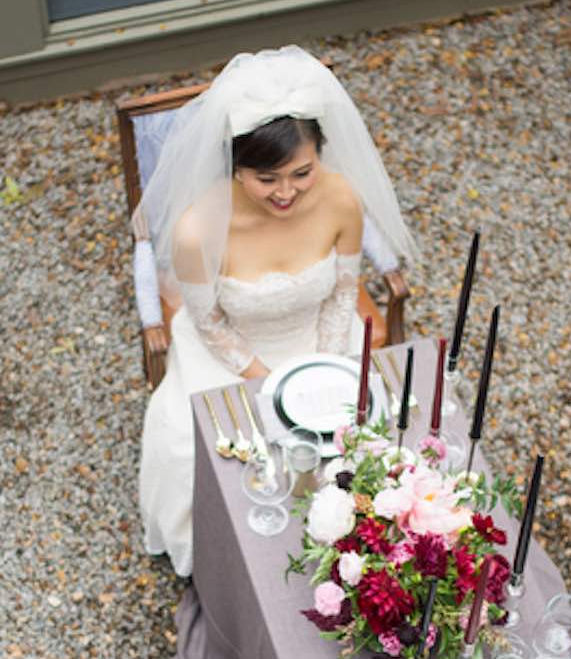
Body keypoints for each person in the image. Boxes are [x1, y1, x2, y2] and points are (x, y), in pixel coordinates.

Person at [137, 46, 417, 577]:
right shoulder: (199, 229)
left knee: (374, 435)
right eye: (266, 179)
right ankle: (236, 568)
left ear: (320, 155)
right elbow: (208, 322)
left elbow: (341, 293)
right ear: (237, 167)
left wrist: (324, 367)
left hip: (318, 341)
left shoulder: (340, 200)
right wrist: (267, 383)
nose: (286, 192)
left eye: (301, 172)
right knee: (195, 447)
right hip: (232, 355)